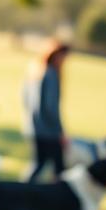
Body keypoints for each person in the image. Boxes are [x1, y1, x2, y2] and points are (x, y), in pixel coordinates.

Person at [23, 40, 70, 182]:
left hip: (34, 126)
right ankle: (57, 199)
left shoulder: (36, 71)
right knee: (58, 167)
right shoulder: (50, 74)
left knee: (39, 164)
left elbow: (25, 99)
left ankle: (24, 191)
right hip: (48, 131)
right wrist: (60, 131)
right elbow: (50, 107)